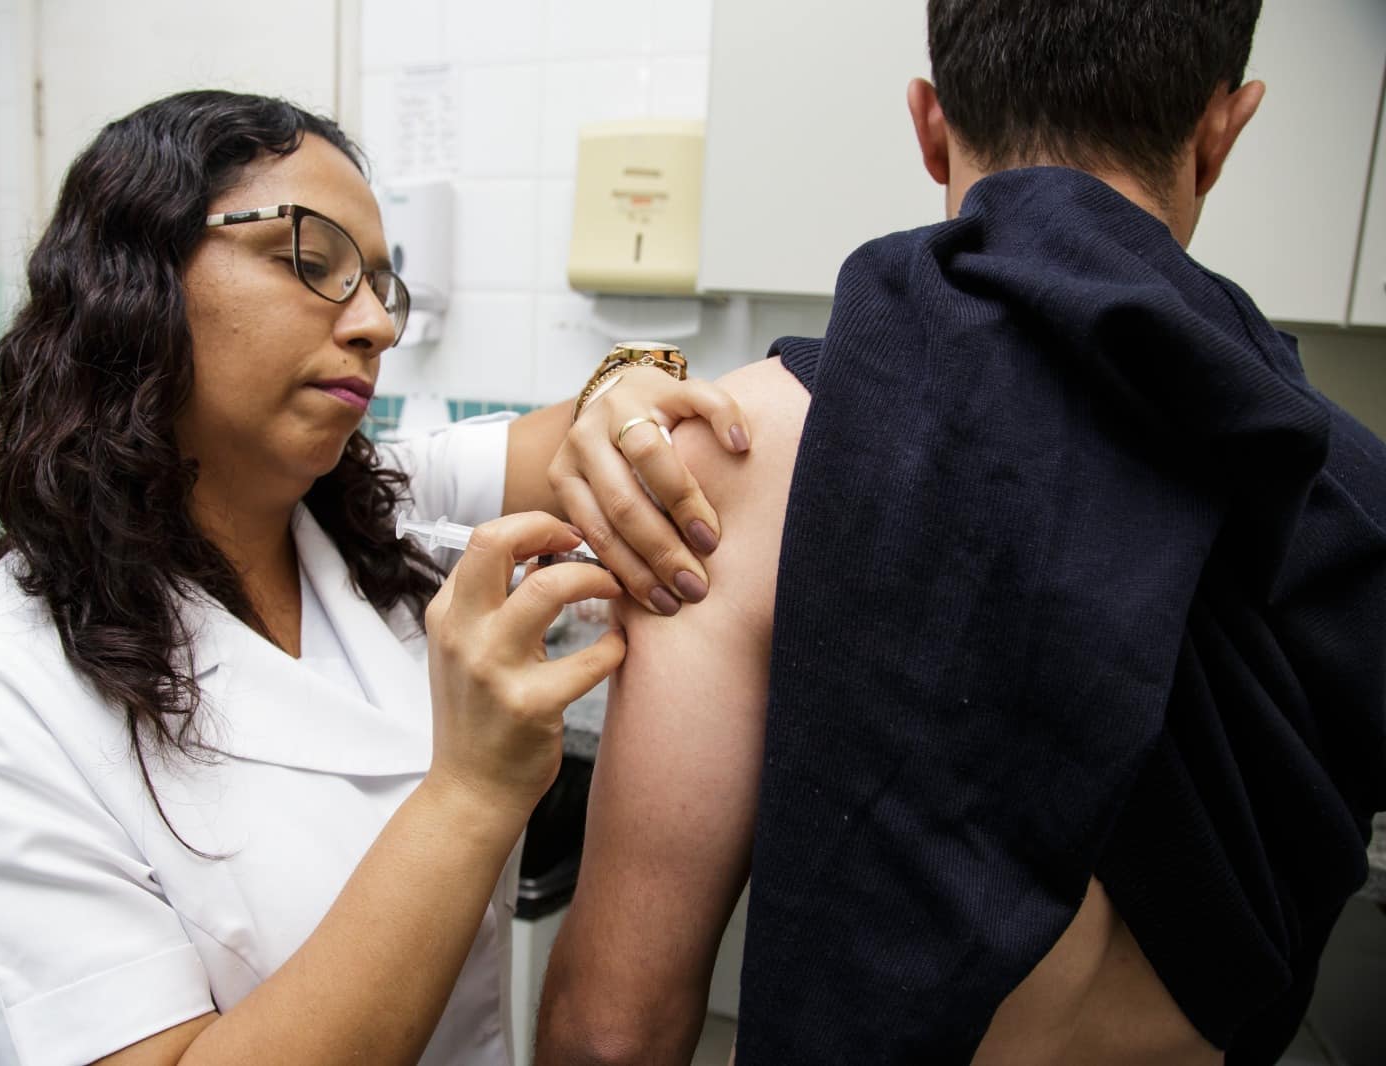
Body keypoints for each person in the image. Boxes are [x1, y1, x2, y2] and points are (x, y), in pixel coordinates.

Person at [536, 2, 1386, 1064]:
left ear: (929, 124)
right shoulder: (1338, 494)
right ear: (1224, 129)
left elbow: (610, 1034)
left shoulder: (745, 459)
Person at [0, 90, 750, 1066]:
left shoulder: (355, 500)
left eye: (380, 283)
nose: (375, 324)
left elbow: (577, 428)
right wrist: (470, 793)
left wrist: (626, 376)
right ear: (136, 275)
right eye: (314, 262)